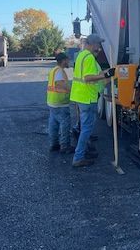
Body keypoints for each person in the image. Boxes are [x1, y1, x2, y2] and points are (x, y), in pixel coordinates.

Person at [70, 34, 115, 168]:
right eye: (98, 45)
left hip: (80, 95)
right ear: (93, 44)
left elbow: (95, 75)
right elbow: (88, 78)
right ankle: (78, 157)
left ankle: (83, 151)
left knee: (85, 128)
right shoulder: (89, 57)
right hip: (87, 97)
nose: (99, 48)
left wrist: (106, 74)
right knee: (86, 129)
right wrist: (107, 75)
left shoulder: (81, 55)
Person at [47, 53, 73, 154]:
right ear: (63, 61)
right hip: (60, 102)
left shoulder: (53, 70)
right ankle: (65, 146)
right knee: (64, 124)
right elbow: (59, 83)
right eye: (67, 60)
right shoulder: (59, 71)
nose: (69, 62)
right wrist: (71, 90)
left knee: (53, 124)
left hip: (52, 101)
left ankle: (54, 144)